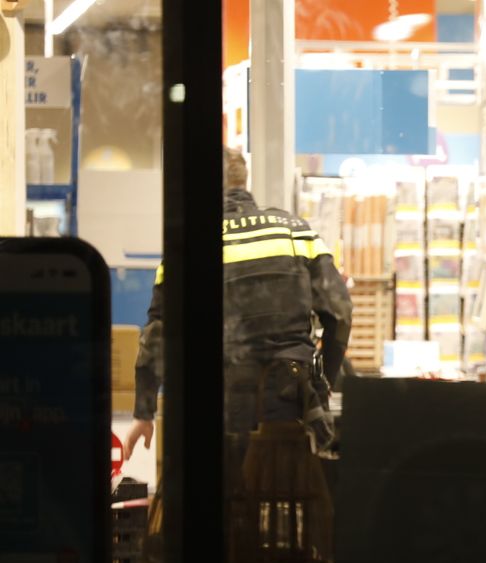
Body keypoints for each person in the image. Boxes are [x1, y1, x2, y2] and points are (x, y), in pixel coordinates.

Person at [124, 147, 353, 460]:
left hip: (220, 402)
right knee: (293, 480)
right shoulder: (294, 231)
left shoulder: (188, 243)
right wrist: (323, 379)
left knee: (223, 485)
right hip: (292, 401)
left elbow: (158, 332)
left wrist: (144, 411)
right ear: (244, 182)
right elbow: (340, 312)